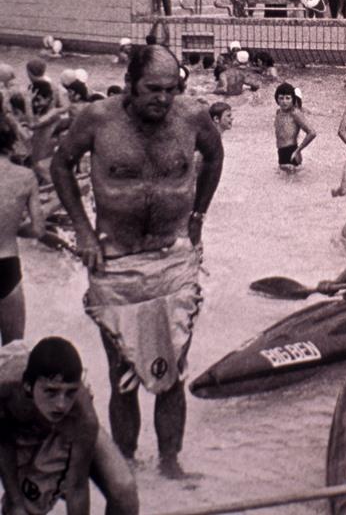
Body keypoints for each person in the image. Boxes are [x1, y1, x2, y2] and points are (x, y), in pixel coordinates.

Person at [50, 45, 224, 478]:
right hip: (116, 261)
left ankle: (170, 466)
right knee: (122, 373)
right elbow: (61, 165)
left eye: (171, 89)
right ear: (129, 84)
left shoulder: (192, 116)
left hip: (173, 259)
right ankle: (124, 469)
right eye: (153, 89)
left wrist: (199, 214)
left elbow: (216, 155)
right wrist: (84, 231)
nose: (163, 99)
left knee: (173, 371)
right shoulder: (97, 119)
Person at [0, 336, 138, 515]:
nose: (61, 404)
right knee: (20, 509)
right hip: (12, 425)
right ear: (28, 386)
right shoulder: (5, 389)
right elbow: (3, 444)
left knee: (124, 490)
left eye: (70, 393)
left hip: (64, 426)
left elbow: (77, 488)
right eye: (51, 392)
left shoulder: (82, 414)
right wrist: (16, 500)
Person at [0, 118, 43, 344]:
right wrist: (12, 228)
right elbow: (38, 229)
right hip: (7, 265)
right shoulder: (25, 177)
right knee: (13, 349)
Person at [274, 83, 316, 169]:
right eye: (281, 98)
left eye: (288, 98)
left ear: (293, 99)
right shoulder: (278, 112)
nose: (284, 101)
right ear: (277, 99)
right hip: (281, 152)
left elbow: (312, 133)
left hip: (292, 151)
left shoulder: (295, 113)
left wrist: (298, 150)